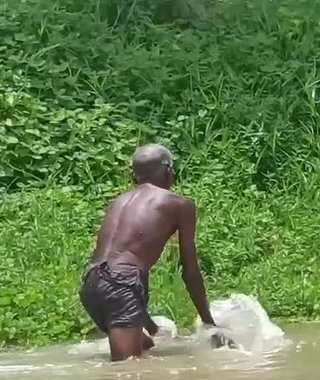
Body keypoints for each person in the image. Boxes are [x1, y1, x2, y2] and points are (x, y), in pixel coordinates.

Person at [79, 144, 217, 361]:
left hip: (92, 280)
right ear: (167, 170)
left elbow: (112, 271)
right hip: (122, 282)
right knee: (127, 371)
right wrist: (209, 324)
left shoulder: (118, 202)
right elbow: (190, 271)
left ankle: (147, 333)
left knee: (146, 347)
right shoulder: (179, 204)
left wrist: (151, 326)